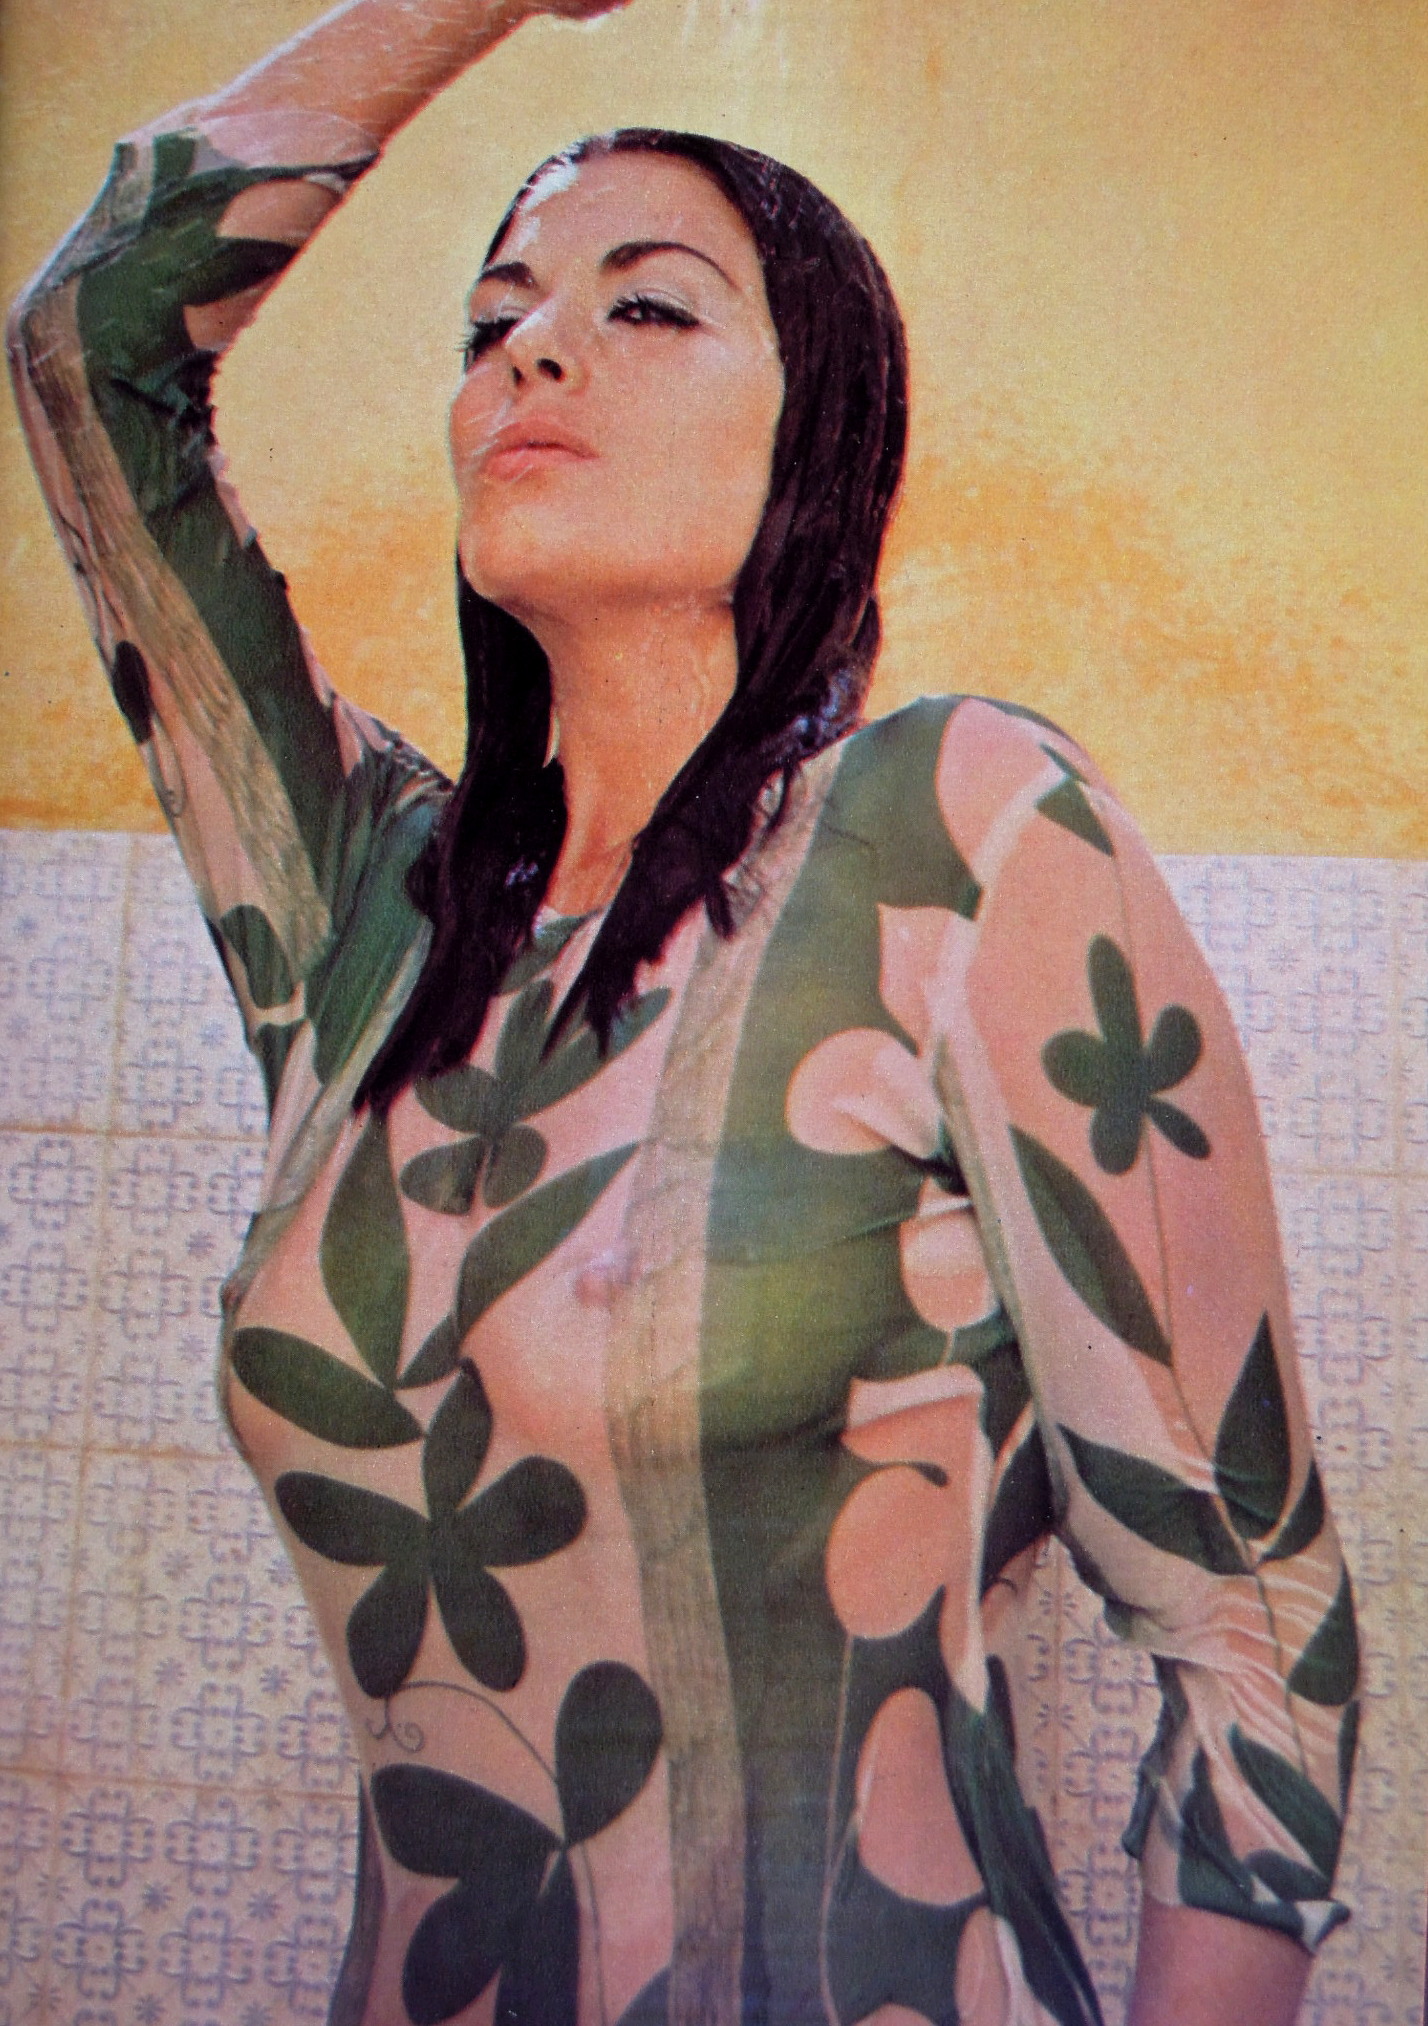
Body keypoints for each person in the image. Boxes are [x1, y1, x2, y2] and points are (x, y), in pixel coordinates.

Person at [7, 3, 1359, 2022]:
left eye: (647, 307)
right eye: (493, 321)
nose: (533, 353)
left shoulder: (960, 828)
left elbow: (1258, 1640)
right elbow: (85, 348)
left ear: (821, 429)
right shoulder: (366, 912)